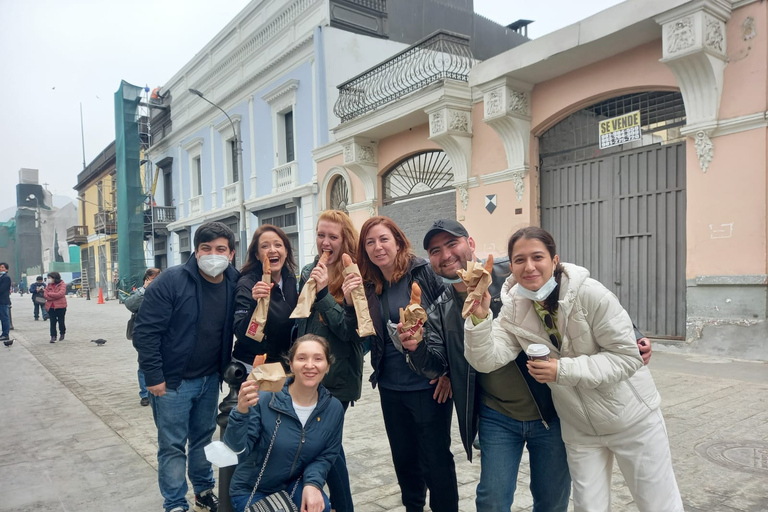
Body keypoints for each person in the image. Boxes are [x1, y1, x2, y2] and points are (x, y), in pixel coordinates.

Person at [409, 219, 653, 511]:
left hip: (551, 407)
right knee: (492, 499)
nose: (446, 254)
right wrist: (415, 346)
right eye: (435, 250)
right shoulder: (440, 308)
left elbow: (577, 297)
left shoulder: (510, 272)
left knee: (551, 499)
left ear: (470, 244)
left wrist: (634, 334)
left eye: (452, 244)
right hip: (496, 415)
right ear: (430, 260)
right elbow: (436, 364)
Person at [464, 226, 683, 512]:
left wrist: (562, 371)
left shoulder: (590, 294)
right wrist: (480, 320)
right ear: (511, 267)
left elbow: (627, 357)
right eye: (519, 260)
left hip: (631, 419)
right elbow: (486, 360)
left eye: (537, 257)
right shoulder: (514, 308)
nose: (529, 267)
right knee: (588, 507)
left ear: (554, 261)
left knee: (657, 504)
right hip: (579, 428)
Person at [133, 221, 240, 512]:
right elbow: (145, 332)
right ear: (196, 251)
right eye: (206, 248)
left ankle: (203, 491)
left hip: (209, 380)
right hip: (172, 383)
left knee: (204, 440)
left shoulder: (234, 281)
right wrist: (154, 376)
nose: (213, 254)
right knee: (172, 445)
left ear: (231, 253)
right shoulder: (171, 280)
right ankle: (175, 502)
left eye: (220, 249)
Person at [357, 216, 457, 512]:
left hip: (428, 384)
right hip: (390, 385)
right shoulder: (371, 284)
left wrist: (449, 372)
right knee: (404, 460)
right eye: (370, 242)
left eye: (384, 239)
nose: (378, 247)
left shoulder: (423, 272)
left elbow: (451, 323)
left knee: (435, 459)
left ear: (398, 241)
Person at [224, 334, 344, 512]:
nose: (310, 365)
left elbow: (326, 455)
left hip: (293, 485)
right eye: (302, 358)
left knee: (321, 507)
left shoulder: (333, 408)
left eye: (318, 359)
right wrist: (241, 412)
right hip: (252, 489)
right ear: (291, 364)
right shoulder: (264, 399)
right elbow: (236, 452)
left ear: (327, 366)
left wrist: (312, 484)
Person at [295, 210, 364, 512]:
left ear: (345, 239)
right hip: (307, 376)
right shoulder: (309, 269)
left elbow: (353, 332)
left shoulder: (355, 274)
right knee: (321, 446)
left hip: (337, 379)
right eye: (321, 235)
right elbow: (303, 323)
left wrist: (323, 292)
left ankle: (341, 506)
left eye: (332, 237)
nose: (325, 242)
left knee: (325, 446)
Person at [233, 225, 298, 372]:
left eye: (278, 245)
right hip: (255, 366)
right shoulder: (248, 285)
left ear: (286, 251)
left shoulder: (290, 279)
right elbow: (242, 335)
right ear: (257, 254)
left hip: (284, 364)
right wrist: (255, 304)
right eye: (265, 246)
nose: (272, 250)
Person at [124, 268, 161, 407]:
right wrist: (145, 289)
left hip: (164, 332)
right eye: (152, 279)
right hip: (145, 334)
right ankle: (145, 393)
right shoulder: (141, 292)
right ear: (146, 280)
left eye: (158, 278)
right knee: (144, 363)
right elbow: (130, 304)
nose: (155, 281)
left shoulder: (167, 290)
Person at [44, 272, 67, 343]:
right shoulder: (48, 285)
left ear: (55, 278)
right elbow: (45, 295)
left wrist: (50, 294)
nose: (49, 279)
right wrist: (54, 296)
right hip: (51, 306)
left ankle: (62, 333)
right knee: (52, 322)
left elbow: (60, 294)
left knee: (61, 321)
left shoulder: (62, 284)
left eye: (50, 278)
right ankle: (53, 336)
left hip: (61, 306)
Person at [0, 263, 10, 342]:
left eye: (2, 267)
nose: (1, 268)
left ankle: (5, 334)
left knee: (4, 318)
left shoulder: (6, 278)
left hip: (3, 301)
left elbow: (2, 289)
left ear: (6, 269)